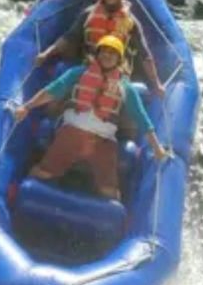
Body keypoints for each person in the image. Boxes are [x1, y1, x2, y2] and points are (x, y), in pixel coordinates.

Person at [13, 35, 168, 200]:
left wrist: (157, 148)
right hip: (72, 132)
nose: (107, 56)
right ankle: (16, 192)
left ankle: (126, 217)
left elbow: (141, 118)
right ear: (97, 54)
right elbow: (51, 91)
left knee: (110, 191)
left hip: (103, 140)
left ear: (119, 59)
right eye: (104, 52)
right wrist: (27, 107)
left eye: (112, 53)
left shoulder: (125, 88)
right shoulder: (77, 73)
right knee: (43, 172)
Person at [35, 0, 164, 97]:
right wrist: (46, 54)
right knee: (59, 94)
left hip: (116, 68)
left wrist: (156, 83)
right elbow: (69, 37)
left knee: (123, 103)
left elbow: (144, 54)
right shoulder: (89, 14)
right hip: (89, 63)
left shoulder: (131, 21)